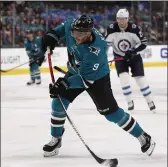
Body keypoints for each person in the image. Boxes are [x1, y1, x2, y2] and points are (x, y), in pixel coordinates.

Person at [36, 15, 155, 157]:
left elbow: (85, 80)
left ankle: (142, 136)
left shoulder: (97, 49)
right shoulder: (72, 26)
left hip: (97, 79)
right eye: (74, 33)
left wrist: (64, 84)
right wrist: (52, 35)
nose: (76, 37)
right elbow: (61, 29)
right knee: (58, 103)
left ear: (89, 33)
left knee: (111, 114)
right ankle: (56, 139)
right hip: (76, 71)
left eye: (80, 35)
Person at [105, 9, 156, 112]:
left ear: (127, 19)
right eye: (119, 19)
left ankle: (150, 101)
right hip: (119, 57)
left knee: (141, 80)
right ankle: (129, 102)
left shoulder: (134, 28)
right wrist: (103, 57)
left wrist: (133, 51)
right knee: (124, 80)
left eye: (123, 19)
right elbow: (105, 45)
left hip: (134, 57)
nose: (121, 21)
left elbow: (143, 43)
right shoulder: (111, 29)